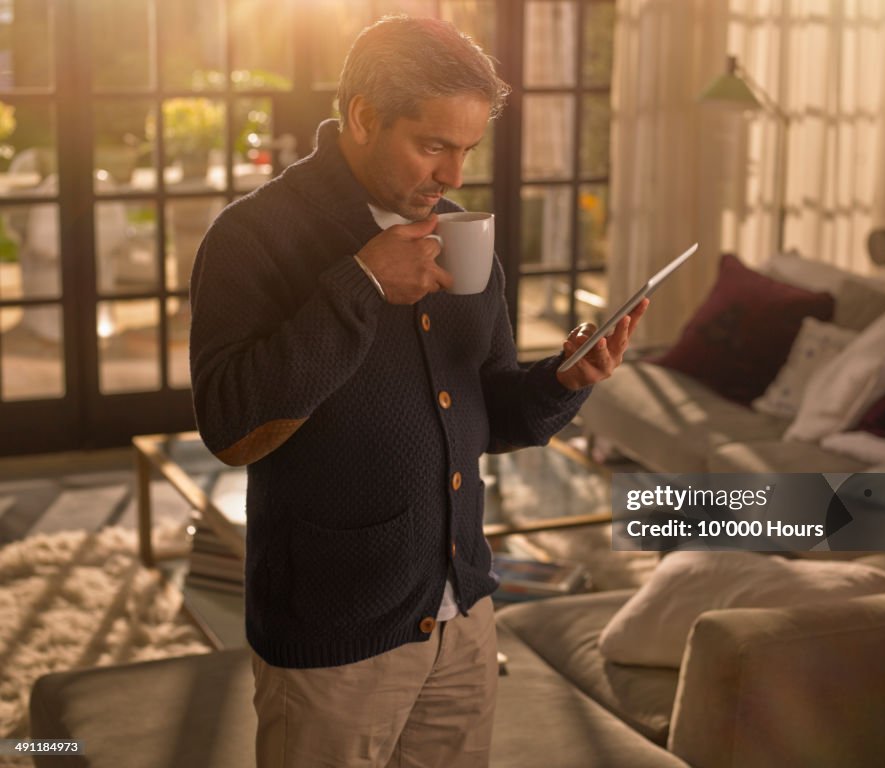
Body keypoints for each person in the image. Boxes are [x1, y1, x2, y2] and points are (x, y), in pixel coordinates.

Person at [189, 15, 647, 768]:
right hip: (333, 632)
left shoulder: (463, 235)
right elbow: (233, 430)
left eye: (467, 149)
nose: (454, 177)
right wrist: (363, 284)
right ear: (364, 117)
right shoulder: (253, 236)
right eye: (433, 145)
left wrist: (563, 381)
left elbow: (491, 410)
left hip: (463, 616)